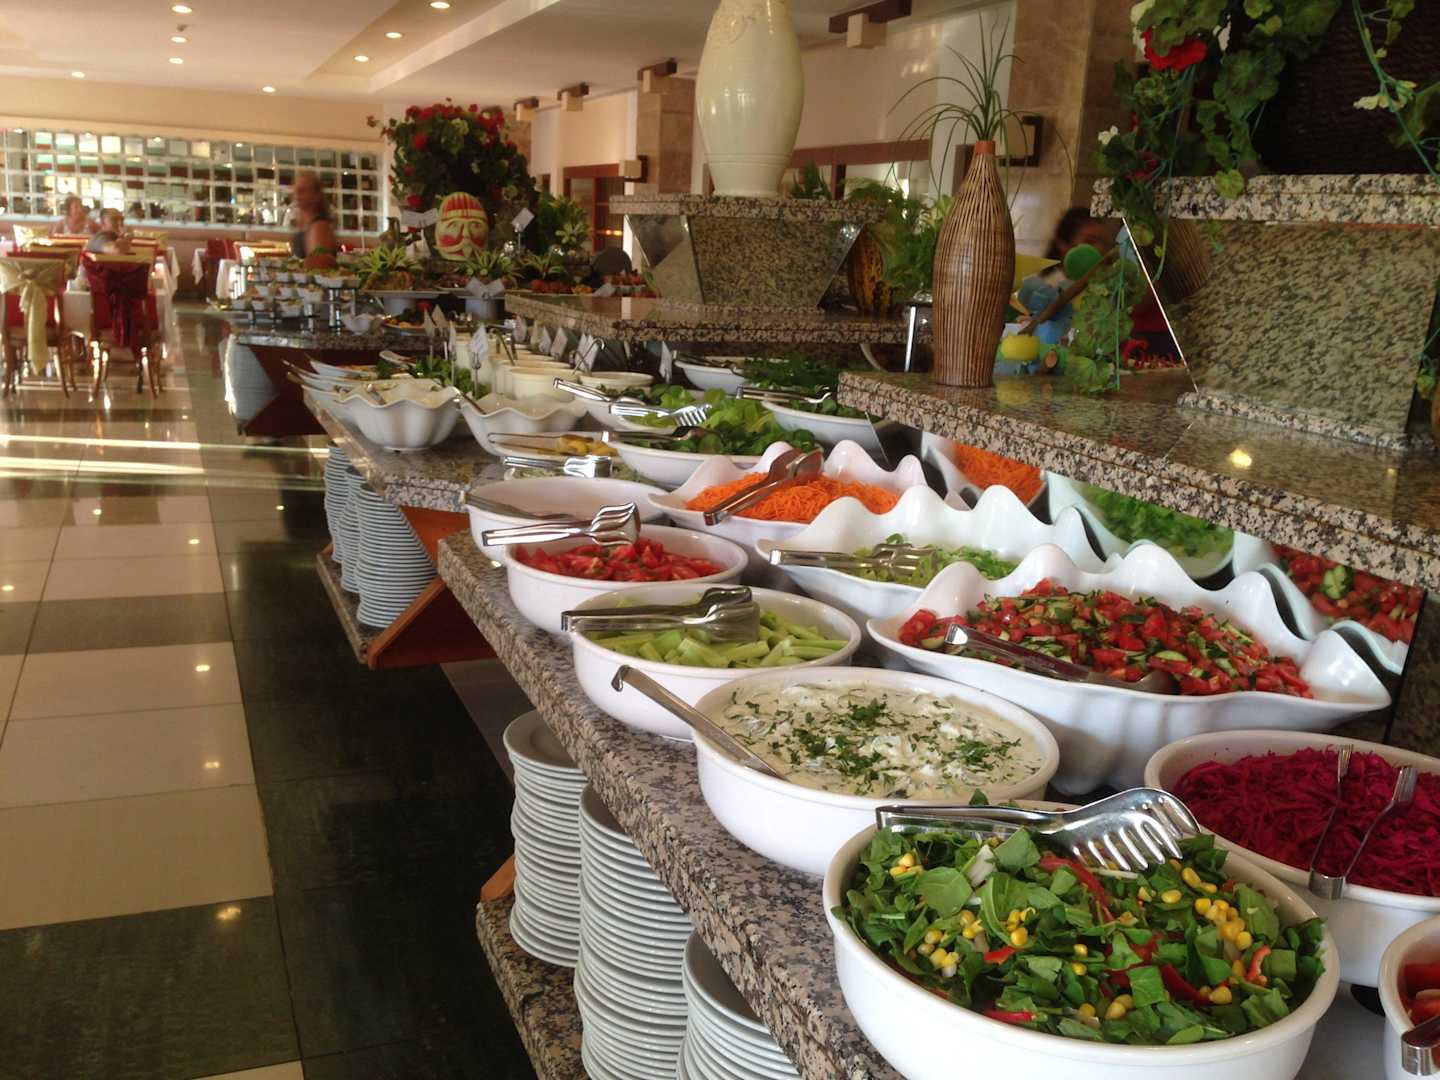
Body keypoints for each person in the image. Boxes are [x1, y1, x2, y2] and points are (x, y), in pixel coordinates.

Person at [289, 171, 338, 269]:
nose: (297, 194)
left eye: (302, 190)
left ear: (316, 195)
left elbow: (320, 268)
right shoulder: (306, 224)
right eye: (296, 190)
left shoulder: (319, 227)